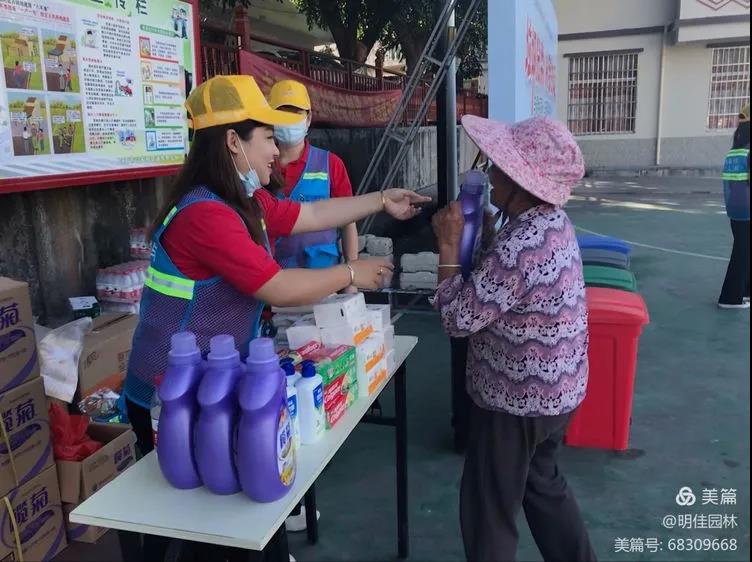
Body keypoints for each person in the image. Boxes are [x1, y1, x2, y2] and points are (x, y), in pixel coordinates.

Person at [122, 75, 428, 559]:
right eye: (267, 136)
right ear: (232, 142)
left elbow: (308, 216)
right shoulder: (206, 214)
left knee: (226, 509)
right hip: (171, 394)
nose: (277, 150)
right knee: (197, 523)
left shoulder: (244, 200)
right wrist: (351, 272)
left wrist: (380, 199)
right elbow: (278, 287)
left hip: (211, 382)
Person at [431, 115, 596, 562]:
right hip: (559, 393)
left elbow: (458, 319)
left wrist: (447, 246)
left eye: (500, 167)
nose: (490, 175)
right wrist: (484, 239)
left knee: (489, 510)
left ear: (521, 182)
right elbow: (506, 289)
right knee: (543, 487)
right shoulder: (552, 222)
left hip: (515, 401)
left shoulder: (521, 243)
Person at [268, 80, 359, 285]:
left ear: (308, 118)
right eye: (282, 114)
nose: (288, 121)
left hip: (323, 279)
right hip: (274, 282)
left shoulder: (331, 164)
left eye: (295, 113)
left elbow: (348, 221)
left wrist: (352, 280)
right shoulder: (259, 166)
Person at [718, 103, 750, 309]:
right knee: (742, 254)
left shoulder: (734, 152)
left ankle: (745, 292)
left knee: (744, 252)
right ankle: (730, 298)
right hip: (747, 212)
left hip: (736, 211)